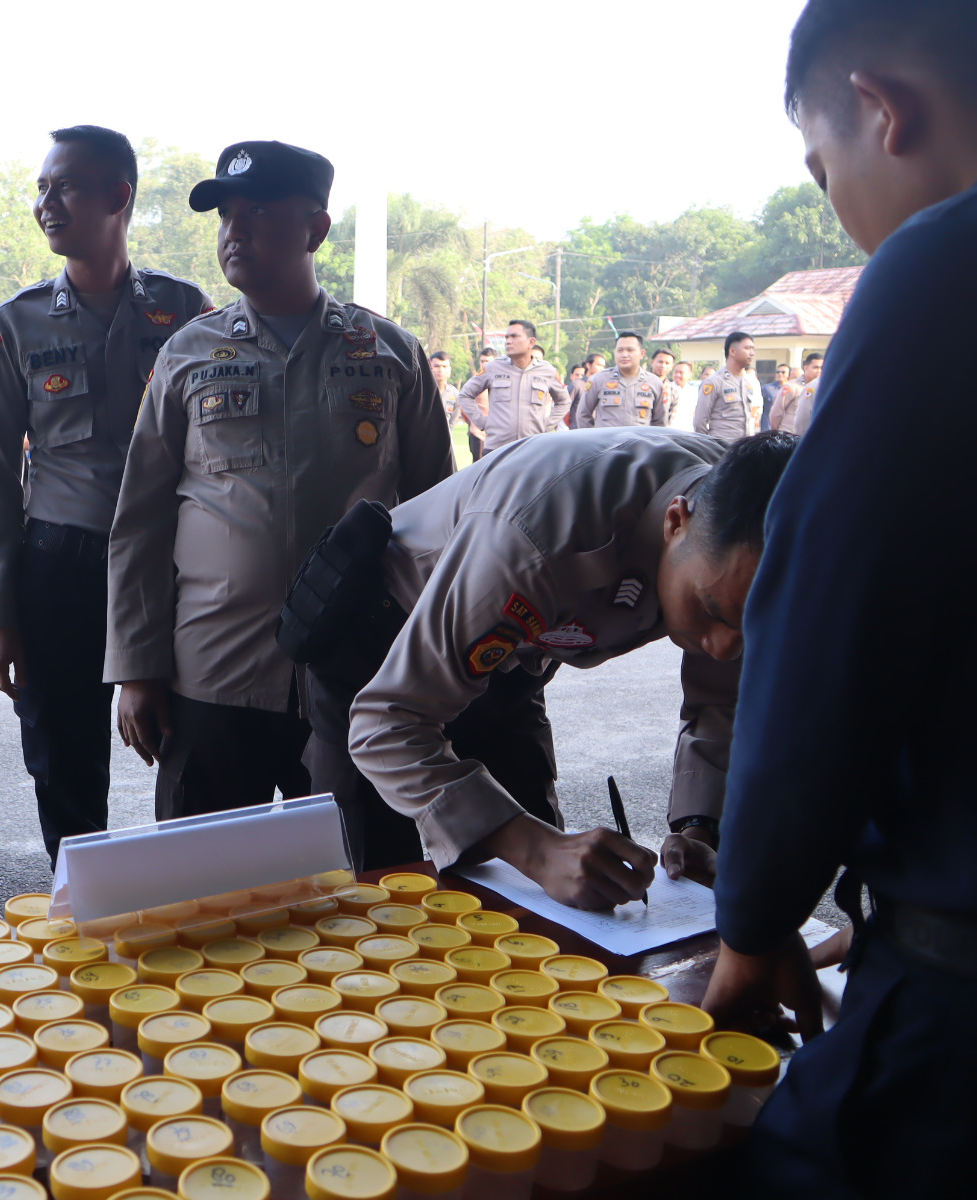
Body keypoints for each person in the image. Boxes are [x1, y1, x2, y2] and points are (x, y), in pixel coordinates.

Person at [702, 3, 977, 1194]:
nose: (841, 205)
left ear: (879, 108)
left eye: (823, 171)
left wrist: (749, 937)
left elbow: (825, 649)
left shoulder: (936, 271)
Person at [106, 139, 454, 821]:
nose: (235, 232)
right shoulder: (189, 352)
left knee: (358, 893)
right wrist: (136, 669)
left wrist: (434, 665)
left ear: (316, 229)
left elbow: (440, 515)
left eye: (258, 212)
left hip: (358, 671)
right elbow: (140, 521)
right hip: (211, 674)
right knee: (202, 890)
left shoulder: (389, 353)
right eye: (226, 216)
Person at [338, 429, 794, 894]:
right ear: (676, 522)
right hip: (385, 638)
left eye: (753, 630)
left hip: (513, 655)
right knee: (386, 889)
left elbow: (719, 701)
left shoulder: (758, 519)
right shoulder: (536, 535)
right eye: (712, 612)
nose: (723, 648)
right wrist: (537, 850)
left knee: (548, 888)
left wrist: (698, 830)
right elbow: (384, 724)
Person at [0, 125, 213, 865]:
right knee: (64, 763)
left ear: (118, 196)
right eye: (40, 188)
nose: (45, 203)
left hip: (170, 570)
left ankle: (192, 913)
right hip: (59, 569)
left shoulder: (184, 310)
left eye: (62, 186)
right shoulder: (15, 323)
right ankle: (83, 927)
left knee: (188, 748)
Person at [454, 320, 570, 453]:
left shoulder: (547, 371)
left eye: (514, 337)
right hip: (497, 448)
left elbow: (564, 401)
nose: (508, 341)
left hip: (533, 448)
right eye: (507, 337)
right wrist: (483, 422)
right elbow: (465, 395)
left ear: (531, 342)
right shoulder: (493, 368)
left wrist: (547, 425)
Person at [572, 331, 667, 427]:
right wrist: (594, 440)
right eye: (620, 350)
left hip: (639, 441)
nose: (624, 355)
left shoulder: (655, 383)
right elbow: (583, 415)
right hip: (607, 441)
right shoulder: (598, 380)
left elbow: (659, 422)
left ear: (642, 353)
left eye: (630, 350)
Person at [694, 331, 763, 439]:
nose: (752, 353)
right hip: (722, 447)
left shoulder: (752, 382)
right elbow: (700, 422)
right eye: (748, 348)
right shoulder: (714, 382)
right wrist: (710, 446)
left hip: (746, 447)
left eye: (753, 349)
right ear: (732, 351)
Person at [770, 351, 823, 433]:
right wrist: (777, 433)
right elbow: (776, 413)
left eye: (821, 368)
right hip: (790, 434)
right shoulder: (792, 386)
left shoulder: (820, 388)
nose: (819, 371)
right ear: (806, 368)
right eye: (815, 367)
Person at [429, 351, 461, 431]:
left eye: (444, 366)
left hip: (445, 440)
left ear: (450, 369)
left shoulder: (455, 394)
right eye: (436, 366)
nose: (440, 370)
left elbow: (452, 423)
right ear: (429, 368)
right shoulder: (420, 392)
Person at [760, 362, 791, 431]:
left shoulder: (792, 390)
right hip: (768, 427)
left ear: (789, 375)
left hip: (786, 428)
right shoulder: (767, 388)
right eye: (778, 372)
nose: (780, 374)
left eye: (783, 372)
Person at [667, 361, 698, 429]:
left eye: (681, 372)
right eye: (676, 372)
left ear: (689, 375)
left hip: (688, 433)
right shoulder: (667, 389)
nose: (677, 375)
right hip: (670, 432)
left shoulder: (695, 392)